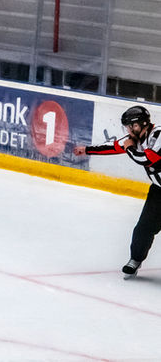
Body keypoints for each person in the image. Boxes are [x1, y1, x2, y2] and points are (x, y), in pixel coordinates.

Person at [74, 105, 161, 279]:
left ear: (139, 125)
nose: (128, 130)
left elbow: (149, 159)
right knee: (144, 228)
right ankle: (135, 259)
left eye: (130, 126)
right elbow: (114, 146)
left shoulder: (159, 134)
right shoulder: (135, 138)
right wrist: (87, 149)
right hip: (159, 191)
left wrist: (129, 149)